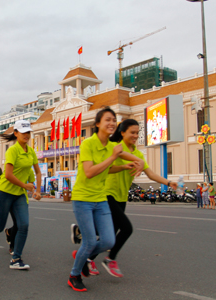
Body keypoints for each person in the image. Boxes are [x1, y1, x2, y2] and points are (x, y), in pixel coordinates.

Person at [71, 119, 178, 279]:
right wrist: (122, 166)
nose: (135, 136)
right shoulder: (115, 148)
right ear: (122, 133)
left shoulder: (138, 154)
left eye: (137, 133)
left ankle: (84, 249)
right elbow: (107, 167)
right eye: (132, 132)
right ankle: (110, 259)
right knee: (126, 228)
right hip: (108, 194)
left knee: (110, 235)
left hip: (121, 197)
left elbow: (151, 174)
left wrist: (169, 182)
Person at [67, 109, 145, 292]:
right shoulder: (88, 144)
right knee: (90, 242)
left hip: (100, 199)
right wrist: (113, 157)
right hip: (83, 198)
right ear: (98, 124)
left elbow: (129, 159)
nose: (112, 123)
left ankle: (82, 256)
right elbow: (90, 172)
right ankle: (74, 275)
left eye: (114, 120)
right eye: (108, 120)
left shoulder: (112, 146)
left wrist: (136, 163)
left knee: (109, 241)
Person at [0, 120, 42, 270]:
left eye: (28, 132)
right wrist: (25, 185)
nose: (26, 135)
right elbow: (8, 175)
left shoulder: (30, 152)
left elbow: (37, 171)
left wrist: (38, 190)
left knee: (23, 225)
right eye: (23, 132)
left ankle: (16, 258)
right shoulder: (12, 150)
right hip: (4, 192)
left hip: (19, 195)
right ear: (16, 133)